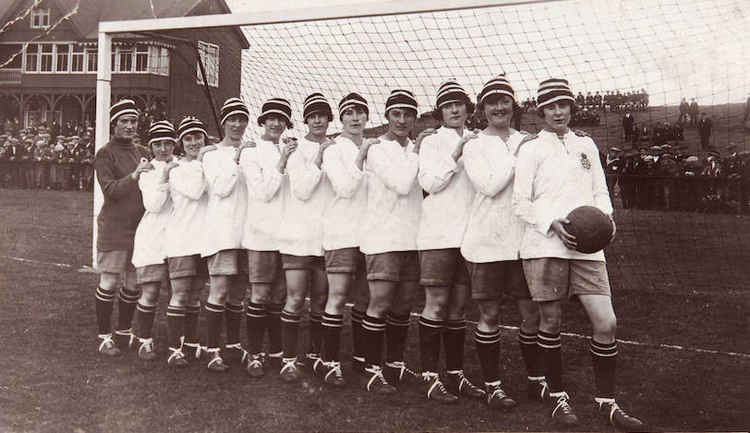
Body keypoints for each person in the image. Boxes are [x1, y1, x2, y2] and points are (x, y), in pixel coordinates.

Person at [512, 78, 645, 430]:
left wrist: (607, 221)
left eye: (564, 105)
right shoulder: (530, 148)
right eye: (551, 106)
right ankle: (557, 397)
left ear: (572, 107)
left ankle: (607, 402)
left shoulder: (586, 144)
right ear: (540, 111)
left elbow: (601, 193)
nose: (559, 111)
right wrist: (551, 223)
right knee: (551, 322)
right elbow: (520, 203)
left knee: (607, 322)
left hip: (589, 250)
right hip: (545, 246)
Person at [461, 75, 546, 410]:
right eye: (491, 102)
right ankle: (493, 385)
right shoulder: (473, 145)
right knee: (490, 313)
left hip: (524, 242)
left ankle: (536, 381)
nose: (499, 107)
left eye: (504, 101)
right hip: (486, 243)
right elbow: (489, 185)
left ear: (514, 106)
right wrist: (520, 153)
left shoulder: (528, 140)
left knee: (532, 314)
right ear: (482, 109)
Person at [417, 79, 485, 401]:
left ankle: (456, 375)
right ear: (440, 112)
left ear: (468, 108)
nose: (455, 109)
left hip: (468, 237)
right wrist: (456, 155)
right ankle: (430, 377)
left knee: (458, 308)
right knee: (437, 304)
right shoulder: (431, 142)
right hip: (437, 236)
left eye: (459, 104)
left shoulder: (480, 140)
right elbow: (430, 183)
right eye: (448, 105)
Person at [358, 89, 425, 394]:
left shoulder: (415, 147)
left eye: (407, 114)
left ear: (414, 118)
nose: (402, 120)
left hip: (412, 238)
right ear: (386, 117)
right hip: (382, 238)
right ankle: (371, 370)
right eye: (396, 114)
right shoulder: (375, 148)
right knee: (381, 303)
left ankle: (394, 365)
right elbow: (400, 184)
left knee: (403, 305)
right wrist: (418, 151)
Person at [277, 93, 334, 382]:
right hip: (298, 236)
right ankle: (288, 359)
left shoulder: (338, 147)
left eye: (322, 114)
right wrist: (321, 158)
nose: (318, 119)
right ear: (306, 120)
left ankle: (314, 356)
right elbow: (301, 190)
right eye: (312, 115)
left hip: (326, 238)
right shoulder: (297, 151)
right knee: (296, 297)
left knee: (322, 299)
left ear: (329, 118)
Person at [239, 98, 297, 380]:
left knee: (279, 297)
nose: (276, 123)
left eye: (281, 119)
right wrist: (283, 161)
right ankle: (254, 353)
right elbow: (263, 193)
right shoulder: (252, 152)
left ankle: (277, 353)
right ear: (262, 121)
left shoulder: (289, 148)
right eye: (271, 118)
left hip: (286, 236)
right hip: (261, 235)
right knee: (260, 296)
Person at [93, 98, 152, 356]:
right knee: (109, 281)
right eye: (124, 121)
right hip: (115, 228)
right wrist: (134, 176)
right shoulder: (105, 153)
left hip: (141, 229)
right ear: (114, 124)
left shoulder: (143, 151)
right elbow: (110, 191)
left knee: (133, 283)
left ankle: (124, 331)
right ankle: (105, 336)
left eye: (133, 121)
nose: (129, 126)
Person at [320, 92, 371, 384]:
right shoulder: (332, 148)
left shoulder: (373, 145)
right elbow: (346, 188)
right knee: (337, 297)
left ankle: (362, 359)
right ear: (341, 118)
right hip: (340, 233)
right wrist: (363, 156)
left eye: (360, 112)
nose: (355, 118)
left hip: (370, 234)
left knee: (365, 298)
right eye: (349, 113)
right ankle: (330, 363)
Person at [200, 97, 250, 372]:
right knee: (218, 291)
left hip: (246, 234)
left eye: (242, 119)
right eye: (232, 119)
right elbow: (220, 188)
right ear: (223, 122)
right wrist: (238, 158)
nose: (237, 124)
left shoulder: (250, 150)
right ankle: (212, 349)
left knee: (238, 294)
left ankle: (232, 344)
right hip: (221, 234)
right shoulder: (211, 154)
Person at [163, 116, 211, 366]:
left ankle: (191, 342)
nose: (194, 142)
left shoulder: (208, 164)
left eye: (198, 137)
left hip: (203, 242)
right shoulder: (176, 168)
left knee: (195, 295)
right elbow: (195, 191)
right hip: (181, 240)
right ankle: (173, 348)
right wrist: (204, 160)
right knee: (180, 295)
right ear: (181, 142)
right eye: (188, 138)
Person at [131, 120, 178, 361]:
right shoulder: (147, 171)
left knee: (178, 294)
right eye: (158, 144)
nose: (163, 148)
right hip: (152, 239)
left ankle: (177, 345)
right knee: (150, 292)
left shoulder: (183, 164)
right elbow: (153, 205)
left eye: (167, 143)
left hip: (178, 239)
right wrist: (166, 177)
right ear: (151, 146)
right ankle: (145, 340)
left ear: (174, 143)